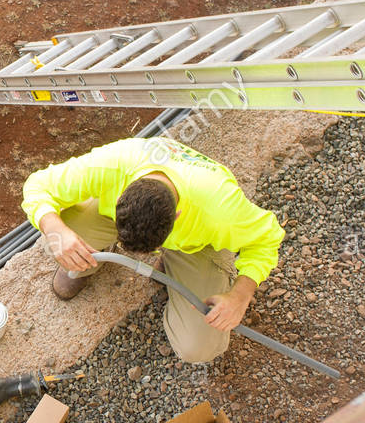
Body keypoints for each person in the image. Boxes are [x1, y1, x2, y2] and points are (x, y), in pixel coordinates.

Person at [22, 137, 284, 363]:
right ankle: (84, 258)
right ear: (120, 197)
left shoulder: (221, 210)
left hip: (196, 243)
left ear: (178, 216)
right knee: (60, 225)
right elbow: (37, 186)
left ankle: (176, 266)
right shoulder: (112, 164)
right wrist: (56, 230)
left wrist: (240, 295)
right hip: (137, 210)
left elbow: (268, 238)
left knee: (198, 348)